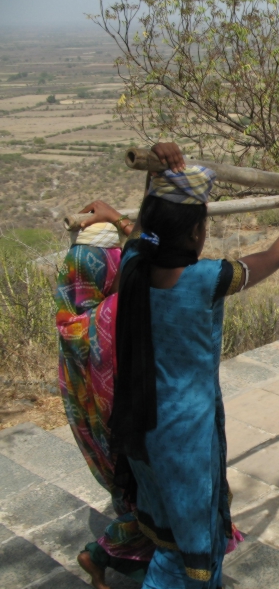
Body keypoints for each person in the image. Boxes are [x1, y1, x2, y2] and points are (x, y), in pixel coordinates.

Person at [110, 142, 279, 588]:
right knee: (188, 557)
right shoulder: (202, 281)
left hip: (140, 426)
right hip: (184, 436)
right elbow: (275, 256)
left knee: (168, 538)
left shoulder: (133, 265)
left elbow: (142, 229)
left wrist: (156, 178)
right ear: (195, 234)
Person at [56, 200, 153, 589]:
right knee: (144, 494)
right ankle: (101, 554)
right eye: (116, 266)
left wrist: (117, 222)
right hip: (115, 423)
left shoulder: (74, 319)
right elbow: (158, 265)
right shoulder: (107, 317)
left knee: (137, 492)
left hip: (107, 419)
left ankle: (103, 558)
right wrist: (120, 222)